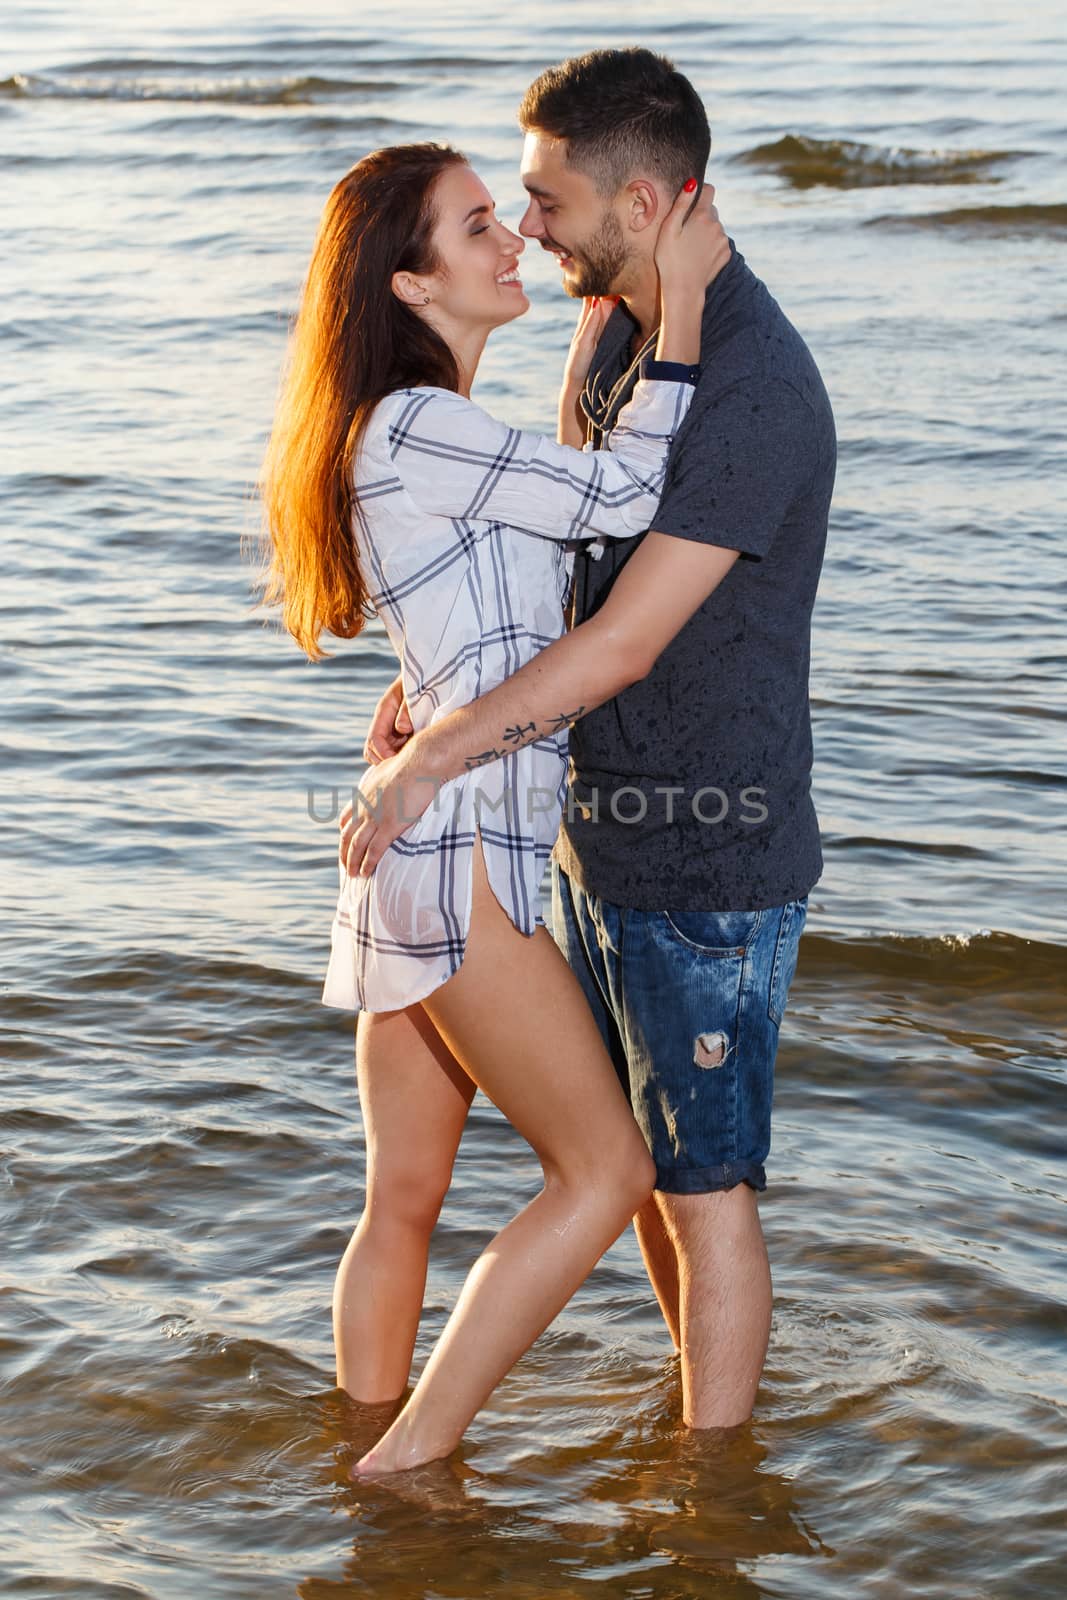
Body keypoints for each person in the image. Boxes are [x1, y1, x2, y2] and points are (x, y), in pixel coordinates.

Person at [346, 48, 837, 1435]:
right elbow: (570, 522)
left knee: (702, 1191)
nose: (533, 227)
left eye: (550, 204)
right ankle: (683, 1462)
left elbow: (622, 636)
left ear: (644, 199)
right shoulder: (625, 321)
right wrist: (434, 694)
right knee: (650, 1180)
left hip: (704, 845)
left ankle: (708, 1503)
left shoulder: (754, 391)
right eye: (507, 208)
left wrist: (437, 747)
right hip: (583, 833)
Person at [257, 139, 730, 1476]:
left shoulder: (404, 433)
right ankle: (408, 1464)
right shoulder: (424, 428)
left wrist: (598, 336)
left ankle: (361, 1449)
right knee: (608, 1174)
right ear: (409, 285)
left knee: (401, 1198)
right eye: (478, 228)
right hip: (458, 849)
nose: (508, 239)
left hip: (417, 844)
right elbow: (628, 495)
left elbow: (499, 585)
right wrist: (679, 304)